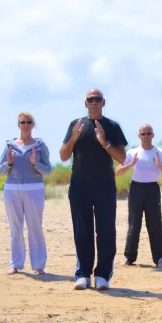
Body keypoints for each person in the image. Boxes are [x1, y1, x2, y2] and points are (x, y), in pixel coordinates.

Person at [60, 89, 127, 291]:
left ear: (103, 102)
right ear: (85, 103)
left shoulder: (112, 126)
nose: (94, 102)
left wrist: (104, 142)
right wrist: (73, 138)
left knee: (106, 231)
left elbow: (123, 158)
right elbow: (63, 155)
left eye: (97, 99)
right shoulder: (76, 125)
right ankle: (83, 274)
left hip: (104, 187)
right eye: (91, 100)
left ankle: (103, 275)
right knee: (82, 231)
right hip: (79, 187)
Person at [0, 112, 52, 276]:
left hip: (34, 189)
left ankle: (38, 265)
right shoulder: (9, 146)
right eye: (23, 122)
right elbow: (0, 170)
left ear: (33, 125)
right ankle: (15, 264)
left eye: (29, 122)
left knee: (35, 227)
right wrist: (9, 163)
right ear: (18, 125)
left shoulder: (40, 146)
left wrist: (35, 164)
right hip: (12, 189)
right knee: (16, 228)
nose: (26, 125)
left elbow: (48, 170)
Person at [116, 124, 162, 268]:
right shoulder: (132, 152)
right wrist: (130, 165)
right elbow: (118, 172)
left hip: (152, 190)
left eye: (149, 133)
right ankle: (129, 257)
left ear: (153, 135)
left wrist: (160, 166)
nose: (146, 136)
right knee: (134, 224)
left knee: (155, 224)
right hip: (136, 188)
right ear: (139, 136)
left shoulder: (160, 153)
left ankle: (159, 258)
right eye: (143, 134)